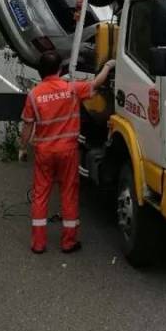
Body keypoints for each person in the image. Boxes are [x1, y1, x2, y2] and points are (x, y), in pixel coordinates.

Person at [18, 51, 115, 254]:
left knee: (41, 195)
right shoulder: (71, 88)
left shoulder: (34, 95)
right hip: (68, 152)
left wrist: (22, 148)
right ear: (60, 70)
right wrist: (108, 66)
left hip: (44, 151)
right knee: (68, 194)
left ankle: (38, 244)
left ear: (40, 71)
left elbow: (27, 126)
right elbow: (96, 84)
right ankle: (69, 242)